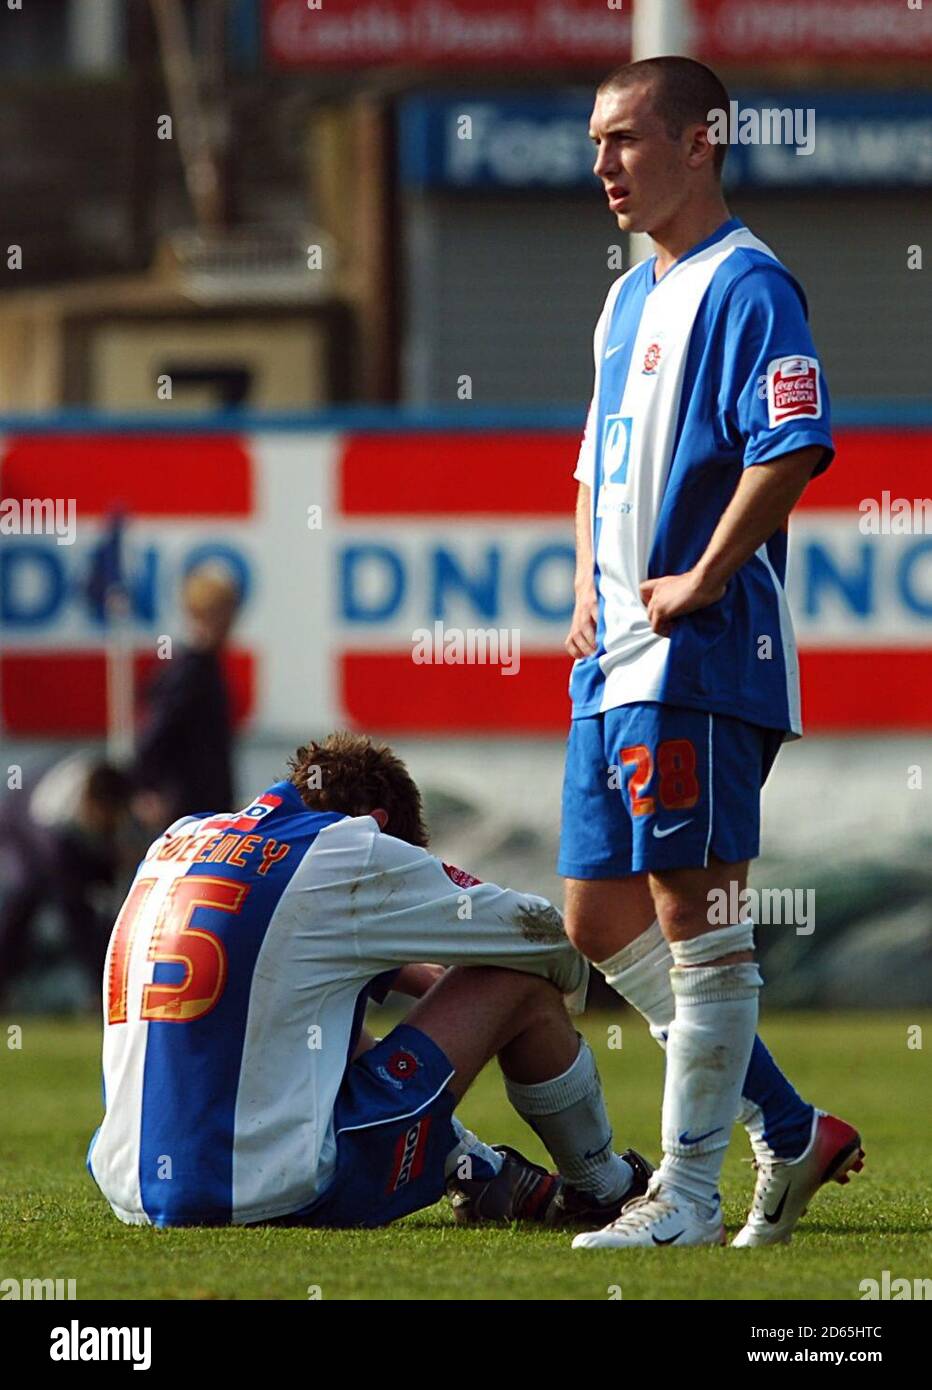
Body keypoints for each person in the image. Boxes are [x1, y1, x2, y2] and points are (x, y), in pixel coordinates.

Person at [560, 57, 862, 1250]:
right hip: (613, 657)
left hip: (698, 649)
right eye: (594, 143)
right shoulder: (624, 298)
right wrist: (585, 589)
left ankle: (682, 1196)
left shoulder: (749, 285)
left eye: (626, 139)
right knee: (595, 919)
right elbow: (592, 468)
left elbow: (791, 441)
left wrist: (707, 573)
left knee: (695, 912)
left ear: (701, 142)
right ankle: (791, 1129)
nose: (603, 167)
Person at [87, 732, 652, 1230]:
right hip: (267, 1190)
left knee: (317, 1025)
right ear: (379, 824)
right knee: (520, 981)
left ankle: (477, 1168)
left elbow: (294, 968)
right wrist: (563, 998)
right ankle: (602, 1188)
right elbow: (540, 933)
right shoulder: (349, 845)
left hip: (129, 1187)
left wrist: (418, 979)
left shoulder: (179, 839)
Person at [0, 758, 131, 1008]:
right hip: (18, 830)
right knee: (24, 899)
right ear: (91, 805)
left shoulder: (106, 787)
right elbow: (68, 883)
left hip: (54, 838)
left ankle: (103, 989)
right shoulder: (55, 819)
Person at [133, 562, 240, 833]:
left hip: (208, 808)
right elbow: (154, 736)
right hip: (189, 811)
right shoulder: (189, 672)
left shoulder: (205, 667)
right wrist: (148, 788)